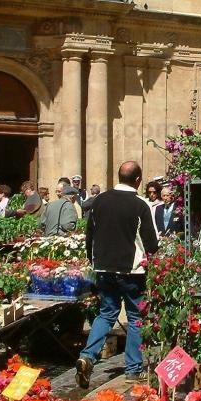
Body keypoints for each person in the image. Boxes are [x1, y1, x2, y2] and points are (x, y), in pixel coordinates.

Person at [75, 161, 159, 387]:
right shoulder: (140, 204)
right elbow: (151, 243)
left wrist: (93, 260)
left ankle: (87, 356)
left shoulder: (99, 200)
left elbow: (89, 234)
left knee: (106, 313)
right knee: (135, 317)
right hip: (131, 270)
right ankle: (133, 369)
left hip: (103, 267)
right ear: (138, 180)